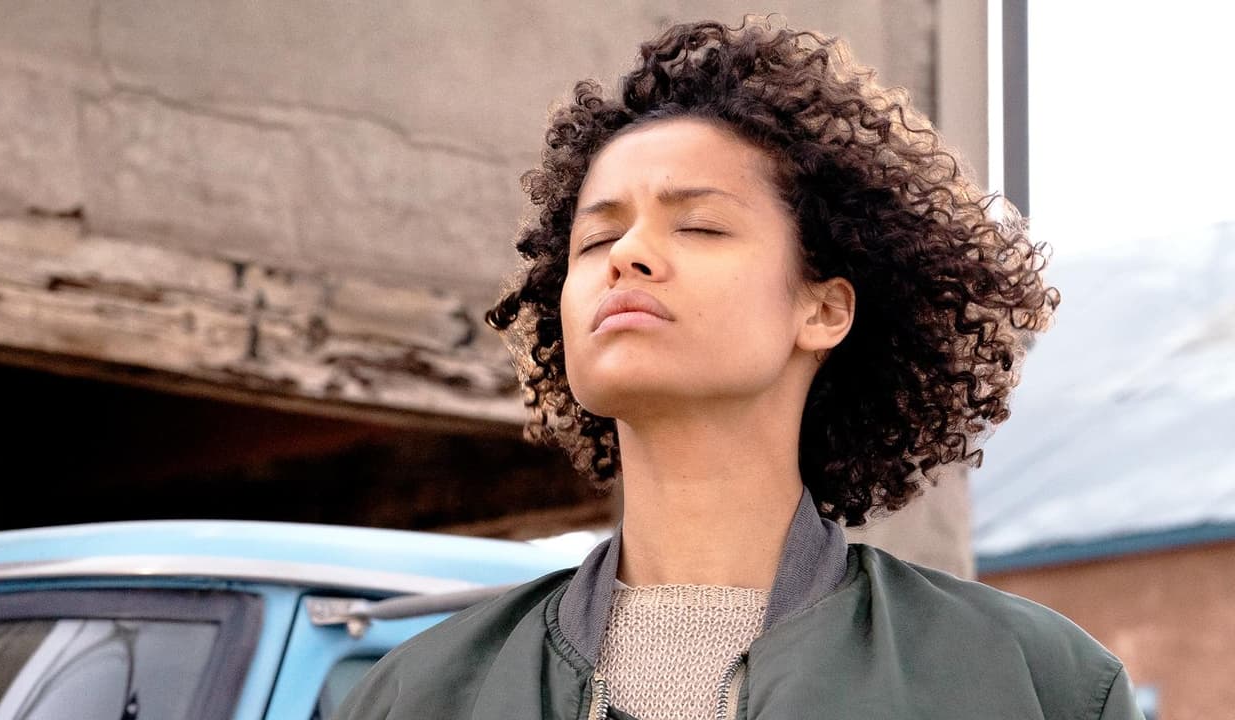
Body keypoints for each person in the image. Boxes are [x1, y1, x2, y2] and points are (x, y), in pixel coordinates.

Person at [336, 18, 1144, 720]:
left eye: (699, 226)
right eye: (596, 238)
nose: (628, 255)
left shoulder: (1030, 684)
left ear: (823, 310)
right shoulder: (417, 695)